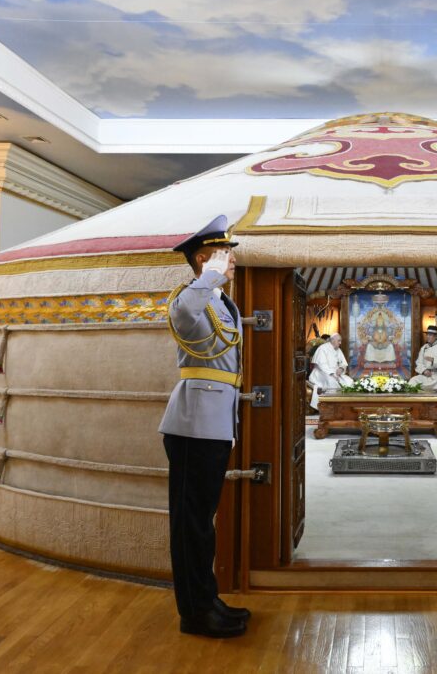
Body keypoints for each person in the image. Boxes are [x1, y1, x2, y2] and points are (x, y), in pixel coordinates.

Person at [159, 214, 251, 639]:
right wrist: (208, 277)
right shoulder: (193, 297)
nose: (232, 263)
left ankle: (207, 599)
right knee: (191, 521)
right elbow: (182, 315)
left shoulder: (217, 300)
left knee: (203, 520)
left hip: (214, 422)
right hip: (194, 424)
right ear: (203, 258)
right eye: (225, 256)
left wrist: (212, 280)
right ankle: (194, 613)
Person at [308, 332, 354, 409]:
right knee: (331, 381)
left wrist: (341, 368)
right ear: (332, 340)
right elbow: (322, 365)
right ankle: (329, 407)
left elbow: (343, 363)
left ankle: (344, 406)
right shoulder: (322, 348)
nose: (340, 343)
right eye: (339, 341)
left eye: (340, 341)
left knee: (350, 381)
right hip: (321, 373)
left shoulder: (338, 350)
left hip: (336, 374)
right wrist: (332, 374)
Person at [408, 325, 437, 404]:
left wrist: (434, 360)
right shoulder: (424, 348)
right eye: (427, 334)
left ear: (435, 336)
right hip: (427, 375)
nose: (428, 337)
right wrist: (424, 371)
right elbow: (419, 363)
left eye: (430, 335)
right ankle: (415, 404)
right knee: (413, 381)